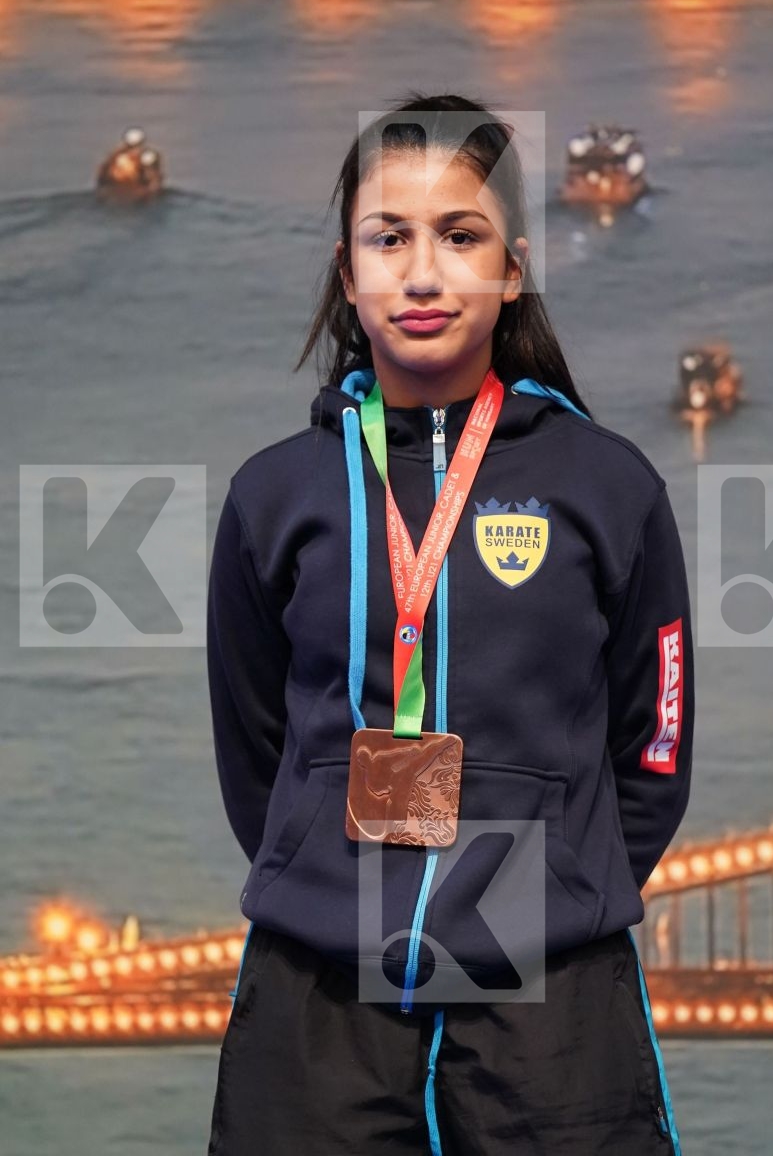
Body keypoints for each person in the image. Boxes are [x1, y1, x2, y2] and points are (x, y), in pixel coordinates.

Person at [205, 91, 693, 1156]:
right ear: (348, 275)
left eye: (460, 236)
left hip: (550, 995)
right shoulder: (272, 497)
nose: (422, 274)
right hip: (318, 985)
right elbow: (253, 751)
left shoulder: (608, 488)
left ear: (512, 270)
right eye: (389, 239)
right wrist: (330, 870)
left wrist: (552, 882)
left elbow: (653, 747)